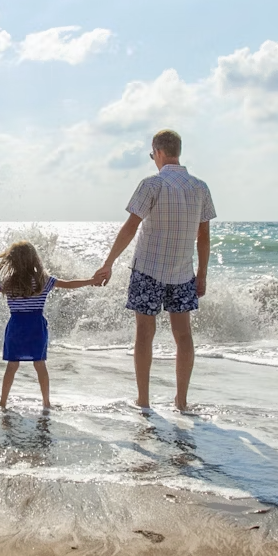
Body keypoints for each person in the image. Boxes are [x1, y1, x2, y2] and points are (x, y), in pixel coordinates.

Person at [93, 129, 216, 413]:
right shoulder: (200, 187)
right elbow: (204, 237)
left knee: (144, 335)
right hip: (183, 273)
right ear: (178, 151)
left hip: (148, 270)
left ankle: (144, 400)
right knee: (183, 336)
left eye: (152, 155)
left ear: (158, 152)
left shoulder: (152, 185)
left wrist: (109, 262)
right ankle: (181, 401)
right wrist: (203, 274)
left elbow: (130, 227)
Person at [0, 240, 100, 410]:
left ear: (12, 261)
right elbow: (69, 284)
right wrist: (91, 281)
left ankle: (3, 402)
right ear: (34, 259)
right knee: (40, 365)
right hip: (36, 327)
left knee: (12, 366)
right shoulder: (43, 280)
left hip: (16, 327)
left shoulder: (8, 282)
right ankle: (46, 403)